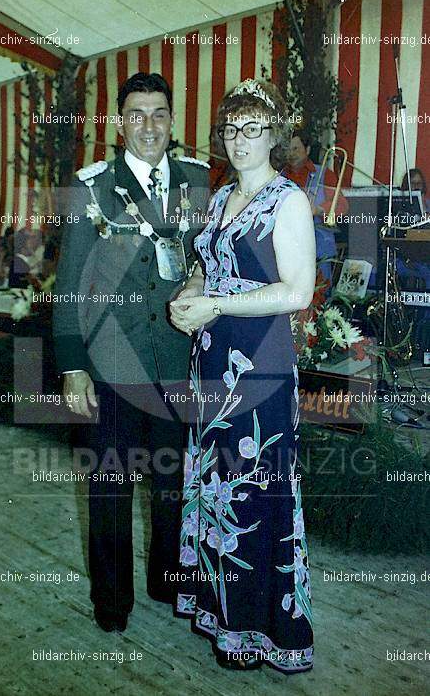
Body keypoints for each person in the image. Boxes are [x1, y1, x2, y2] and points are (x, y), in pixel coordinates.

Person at [53, 73, 209, 633]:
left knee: (174, 487)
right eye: (137, 114)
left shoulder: (197, 181)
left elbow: (207, 260)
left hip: (175, 363)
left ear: (172, 121)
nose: (149, 125)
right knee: (111, 490)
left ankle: (169, 584)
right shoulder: (91, 187)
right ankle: (111, 600)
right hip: (110, 364)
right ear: (121, 123)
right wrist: (73, 367)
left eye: (160, 113)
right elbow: (70, 284)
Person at [170, 79, 315, 673]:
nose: (240, 139)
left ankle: (262, 630)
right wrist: (192, 293)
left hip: (260, 367)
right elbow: (209, 264)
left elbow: (297, 291)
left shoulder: (290, 200)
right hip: (212, 366)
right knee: (219, 491)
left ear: (274, 135)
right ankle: (223, 616)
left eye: (253, 127)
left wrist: (219, 305)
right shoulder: (218, 197)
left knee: (255, 495)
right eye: (231, 128)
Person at [285, 131, 348, 286]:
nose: (291, 154)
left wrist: (319, 209)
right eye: (288, 149)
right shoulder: (279, 176)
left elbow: (342, 206)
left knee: (320, 297)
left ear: (307, 150)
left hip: (319, 251)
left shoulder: (325, 174)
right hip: (286, 250)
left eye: (296, 149)